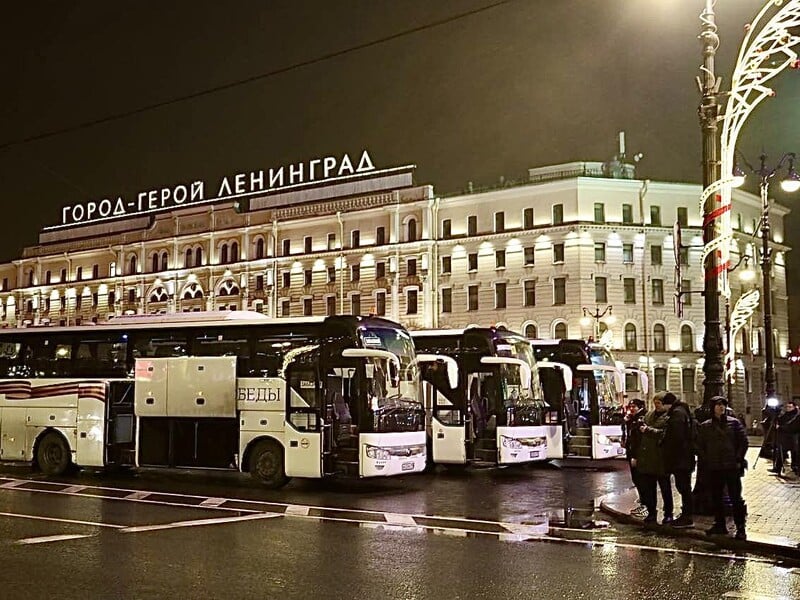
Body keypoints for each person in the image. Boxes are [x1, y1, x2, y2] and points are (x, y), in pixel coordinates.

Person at [696, 396, 748, 540]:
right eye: (718, 405)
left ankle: (741, 528)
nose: (721, 408)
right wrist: (706, 459)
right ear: (712, 408)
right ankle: (720, 525)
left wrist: (738, 458)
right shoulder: (706, 426)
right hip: (714, 467)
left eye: (723, 405)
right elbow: (699, 445)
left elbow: (743, 442)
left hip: (731, 467)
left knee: (735, 498)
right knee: (716, 497)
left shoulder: (734, 423)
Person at [660, 391, 695, 528]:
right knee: (684, 487)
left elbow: (676, 437)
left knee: (683, 487)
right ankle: (686, 515)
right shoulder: (683, 411)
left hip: (680, 458)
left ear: (667, 404)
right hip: (684, 457)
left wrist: (667, 449)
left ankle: (687, 517)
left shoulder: (677, 414)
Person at [636, 394, 672, 524]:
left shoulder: (668, 417)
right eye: (655, 403)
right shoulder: (649, 415)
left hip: (661, 458)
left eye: (659, 403)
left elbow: (664, 434)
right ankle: (652, 512)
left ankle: (668, 513)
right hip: (647, 458)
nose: (657, 405)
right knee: (649, 488)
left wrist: (648, 430)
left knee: (665, 488)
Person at [622, 399, 647, 517]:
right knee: (636, 479)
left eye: (634, 406)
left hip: (637, 455)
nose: (631, 408)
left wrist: (635, 456)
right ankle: (643, 503)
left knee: (641, 480)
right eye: (630, 406)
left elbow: (638, 441)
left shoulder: (641, 419)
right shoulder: (632, 419)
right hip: (631, 453)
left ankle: (645, 505)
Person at [772, 401, 800, 475]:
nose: (788, 408)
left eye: (790, 407)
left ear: (794, 407)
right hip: (784, 437)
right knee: (781, 452)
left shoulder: (796, 415)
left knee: (794, 453)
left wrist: (781, 427)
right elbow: (780, 420)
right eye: (787, 407)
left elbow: (793, 426)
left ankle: (795, 467)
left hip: (793, 437)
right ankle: (778, 468)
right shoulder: (786, 415)